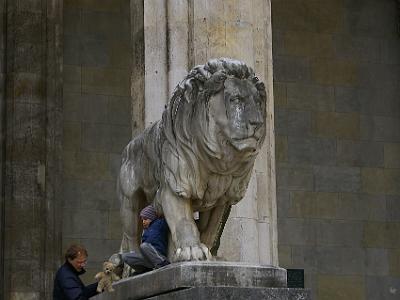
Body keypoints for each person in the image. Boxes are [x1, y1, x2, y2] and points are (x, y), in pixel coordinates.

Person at [110, 205, 170, 274]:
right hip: (148, 259)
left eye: (145, 219)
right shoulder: (145, 231)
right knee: (125, 257)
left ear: (151, 218)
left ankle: (162, 262)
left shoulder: (160, 223)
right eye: (142, 220)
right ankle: (143, 270)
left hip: (158, 255)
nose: (143, 222)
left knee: (144, 246)